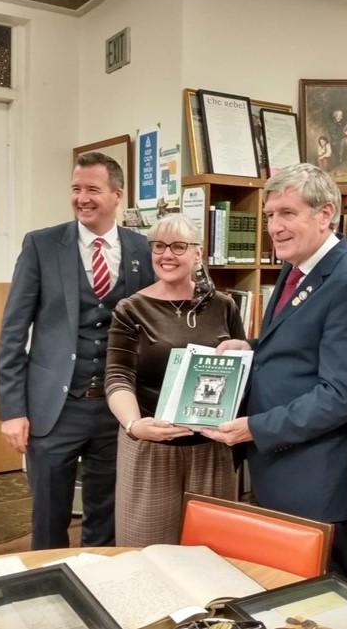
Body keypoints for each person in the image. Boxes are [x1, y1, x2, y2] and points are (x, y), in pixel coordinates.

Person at [202, 162, 347, 578]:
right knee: (282, 590)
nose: (274, 226)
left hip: (316, 477)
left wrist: (256, 428)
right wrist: (248, 347)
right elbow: (300, 347)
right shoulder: (296, 266)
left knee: (320, 601)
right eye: (270, 215)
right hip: (281, 468)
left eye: (288, 213)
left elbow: (342, 395)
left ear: (325, 215)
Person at [0, 152, 154, 550]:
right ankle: (46, 595)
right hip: (53, 410)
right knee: (48, 519)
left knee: (107, 516)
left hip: (116, 409)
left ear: (117, 195)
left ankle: (99, 592)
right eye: (76, 189)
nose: (82, 198)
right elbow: (13, 332)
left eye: (92, 190)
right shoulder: (41, 245)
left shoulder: (142, 249)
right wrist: (12, 410)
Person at [104, 214, 246, 546]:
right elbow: (117, 376)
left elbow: (241, 369)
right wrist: (134, 425)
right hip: (152, 448)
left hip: (211, 447)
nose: (167, 255)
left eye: (179, 246)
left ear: (198, 253)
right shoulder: (131, 309)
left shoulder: (223, 306)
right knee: (145, 551)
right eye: (159, 246)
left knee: (213, 551)